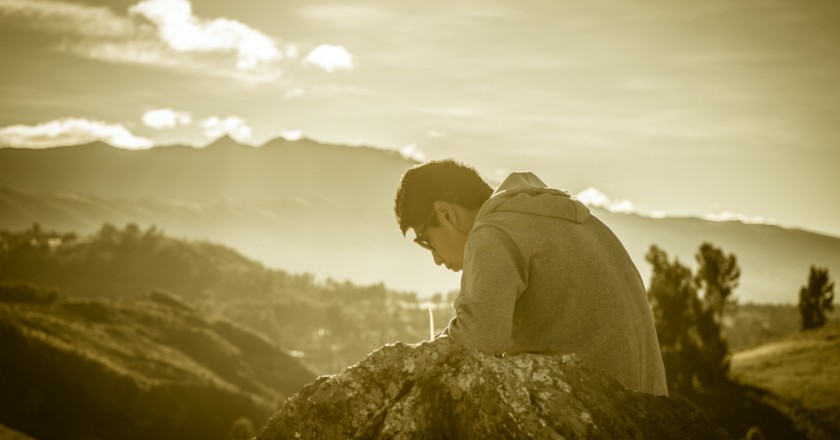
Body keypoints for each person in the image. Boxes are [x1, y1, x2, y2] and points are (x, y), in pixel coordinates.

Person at [394, 159, 668, 396]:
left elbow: (477, 338)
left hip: (601, 420)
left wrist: (413, 361)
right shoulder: (580, 221)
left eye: (427, 241)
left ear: (445, 212)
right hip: (649, 415)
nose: (437, 259)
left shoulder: (493, 232)